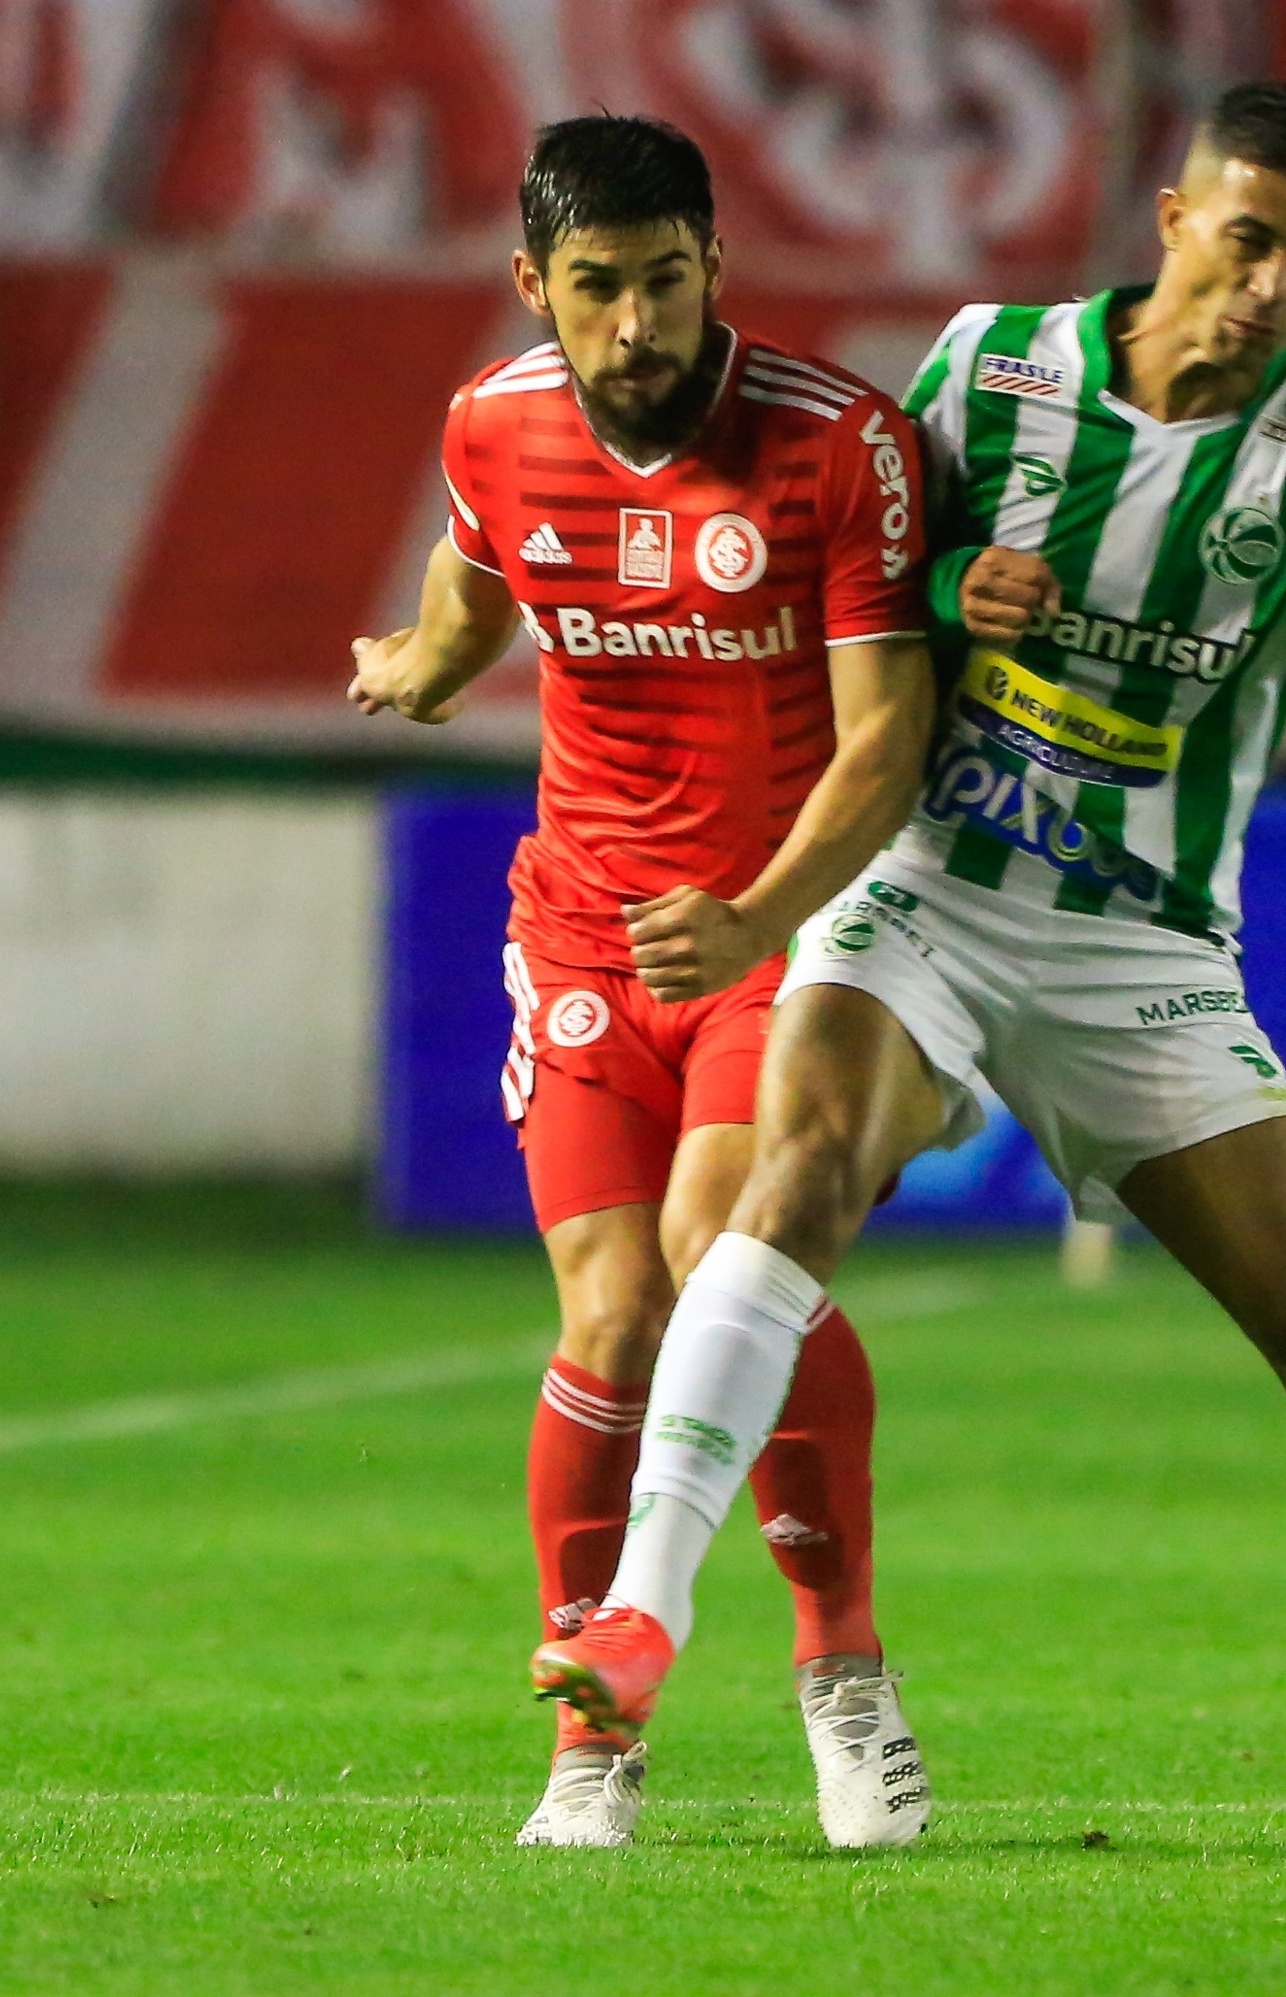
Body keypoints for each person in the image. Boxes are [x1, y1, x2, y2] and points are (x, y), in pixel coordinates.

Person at [533, 82, 1286, 1855]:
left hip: (1136, 949)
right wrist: (947, 587)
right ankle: (644, 1614)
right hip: (921, 888)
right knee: (798, 1173)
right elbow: (847, 561)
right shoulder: (989, 368)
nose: (1272, 288)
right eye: (1247, 242)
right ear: (1174, 220)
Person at [346, 116, 937, 1850]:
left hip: (790, 931)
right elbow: (473, 600)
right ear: (535, 285)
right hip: (586, 929)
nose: (633, 328)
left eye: (663, 283)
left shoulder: (840, 448)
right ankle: (587, 1738)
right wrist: (418, 665)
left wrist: (760, 915)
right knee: (607, 1317)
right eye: (593, 289)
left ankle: (842, 1671)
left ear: (714, 271)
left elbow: (889, 737)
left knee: (718, 1253)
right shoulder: (495, 425)